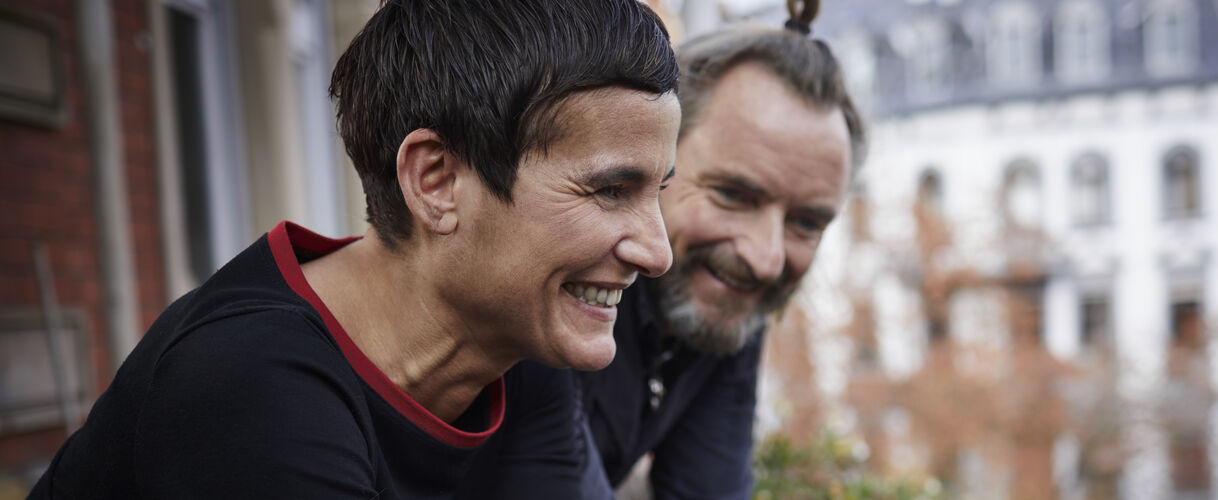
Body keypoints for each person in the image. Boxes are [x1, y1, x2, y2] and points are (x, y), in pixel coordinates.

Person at [29, 0, 679, 498]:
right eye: (610, 190)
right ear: (437, 182)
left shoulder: (518, 348)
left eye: (660, 191)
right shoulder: (248, 385)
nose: (658, 252)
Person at [575, 1, 867, 498]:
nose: (766, 260)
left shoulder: (721, 301)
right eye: (733, 195)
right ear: (650, 158)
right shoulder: (564, 276)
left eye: (806, 223)